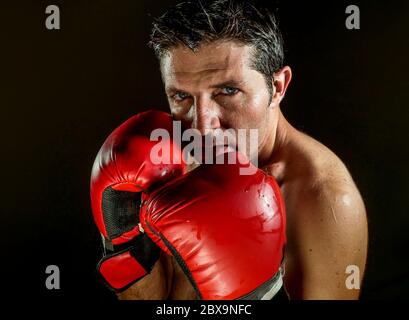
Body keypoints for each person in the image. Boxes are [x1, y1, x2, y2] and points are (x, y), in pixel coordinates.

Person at [94, 0, 368, 300]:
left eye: (227, 91)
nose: (201, 127)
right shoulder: (165, 164)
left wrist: (253, 297)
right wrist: (123, 241)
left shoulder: (324, 201)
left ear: (278, 86)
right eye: (182, 96)